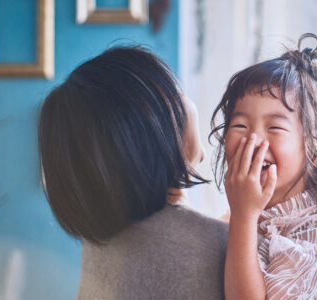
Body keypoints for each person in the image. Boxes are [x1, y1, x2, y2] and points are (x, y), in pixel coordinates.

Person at [38, 46, 228, 299]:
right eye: (172, 93)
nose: (185, 97)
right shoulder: (223, 247)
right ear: (152, 131)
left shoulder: (100, 241)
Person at [210, 33, 317, 299]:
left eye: (275, 127)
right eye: (240, 125)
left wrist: (244, 215)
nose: (253, 139)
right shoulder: (249, 219)